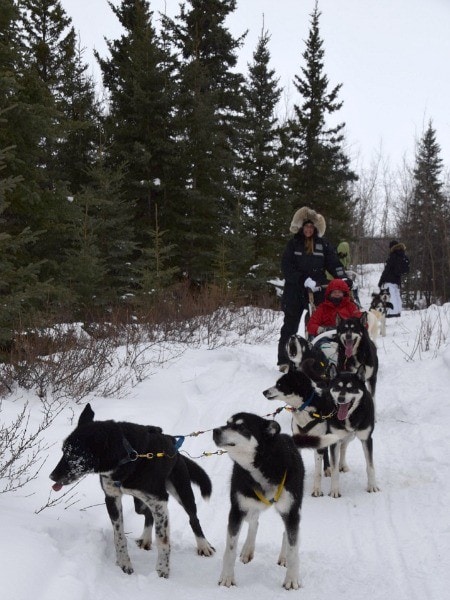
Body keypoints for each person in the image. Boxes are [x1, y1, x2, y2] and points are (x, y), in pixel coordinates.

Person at [277, 206, 352, 370]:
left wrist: (343, 277)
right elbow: (287, 267)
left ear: (315, 228)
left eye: (311, 227)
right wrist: (303, 280)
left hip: (318, 290)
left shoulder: (323, 245)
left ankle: (320, 356)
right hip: (295, 291)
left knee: (321, 323)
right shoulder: (293, 244)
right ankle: (284, 360)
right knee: (290, 325)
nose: (308, 230)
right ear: (302, 227)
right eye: (306, 227)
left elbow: (334, 264)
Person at [378, 240, 410, 317]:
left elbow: (387, 269)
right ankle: (398, 311)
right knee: (396, 295)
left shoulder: (393, 255)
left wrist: (381, 281)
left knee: (391, 297)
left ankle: (392, 313)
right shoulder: (402, 255)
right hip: (397, 280)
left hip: (389, 279)